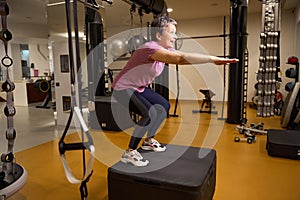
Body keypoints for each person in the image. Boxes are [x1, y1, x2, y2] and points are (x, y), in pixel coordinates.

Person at [111, 15, 238, 167]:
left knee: (164, 106)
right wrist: (212, 59)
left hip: (139, 88)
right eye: (171, 32)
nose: (175, 36)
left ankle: (148, 141)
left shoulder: (165, 50)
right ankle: (130, 152)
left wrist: (210, 60)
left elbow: (181, 56)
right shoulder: (150, 48)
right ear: (158, 35)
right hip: (122, 88)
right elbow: (180, 60)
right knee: (149, 113)